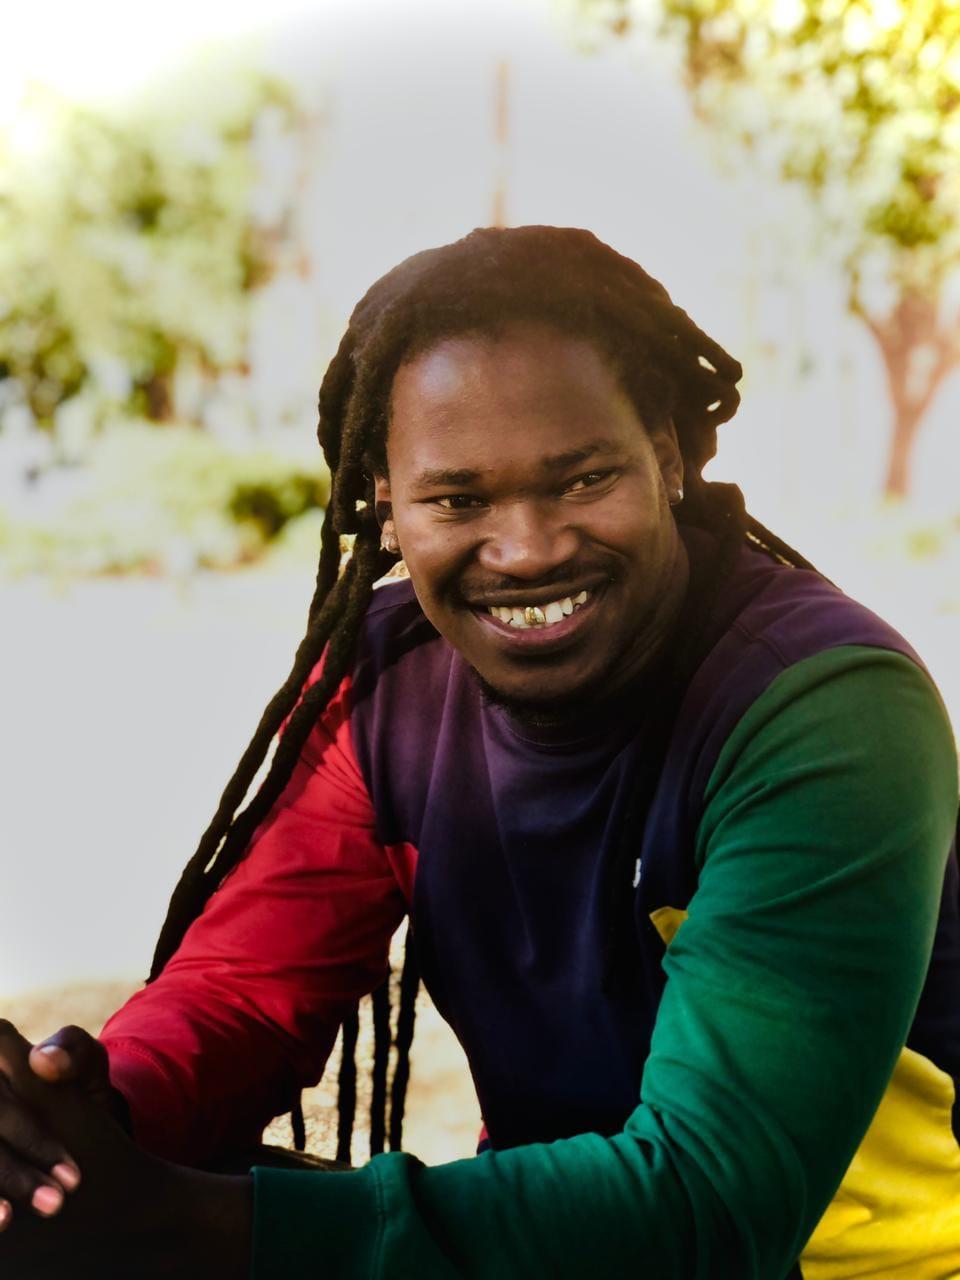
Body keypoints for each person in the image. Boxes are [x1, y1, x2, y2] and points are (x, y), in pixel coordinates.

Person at [0, 225, 957, 1279]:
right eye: (459, 499)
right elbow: (242, 995)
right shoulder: (387, 683)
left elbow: (712, 1203)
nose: (528, 547)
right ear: (386, 500)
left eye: (583, 480)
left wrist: (187, 1221)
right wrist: (72, 1128)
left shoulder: (822, 709)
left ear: (670, 456)